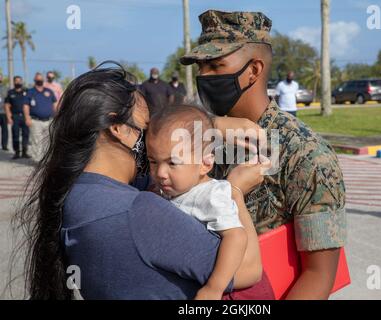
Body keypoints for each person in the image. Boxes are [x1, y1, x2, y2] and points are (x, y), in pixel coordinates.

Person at [12, 62, 272, 300]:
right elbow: (249, 270)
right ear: (119, 128)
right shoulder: (138, 211)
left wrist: (204, 127)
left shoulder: (78, 193)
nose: (152, 143)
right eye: (146, 129)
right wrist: (234, 190)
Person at [180, 10, 347, 300]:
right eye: (200, 67)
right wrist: (212, 126)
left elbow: (318, 275)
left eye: (216, 66)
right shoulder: (202, 136)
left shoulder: (305, 153)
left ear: (254, 70)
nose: (204, 76)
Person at [147, 104, 272, 300]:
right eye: (153, 162)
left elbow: (236, 237)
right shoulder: (173, 190)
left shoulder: (211, 194)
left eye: (172, 163)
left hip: (234, 293)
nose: (160, 173)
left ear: (205, 164)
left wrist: (214, 287)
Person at [26, 72, 58, 161]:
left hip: (48, 121)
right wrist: (27, 118)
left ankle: (46, 160)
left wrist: (57, 116)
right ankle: (38, 161)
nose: (39, 80)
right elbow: (26, 106)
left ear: (43, 80)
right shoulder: (30, 92)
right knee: (36, 141)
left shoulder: (49, 91)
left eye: (41, 79)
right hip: (36, 121)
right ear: (35, 80)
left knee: (48, 141)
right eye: (38, 79)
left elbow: (55, 104)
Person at [4, 76, 32, 159]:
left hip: (25, 116)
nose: (18, 82)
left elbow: (30, 103)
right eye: (16, 81)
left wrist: (29, 116)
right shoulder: (10, 92)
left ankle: (24, 152)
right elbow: (7, 105)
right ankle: (16, 152)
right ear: (13, 82)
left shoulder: (26, 91)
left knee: (25, 134)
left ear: (22, 82)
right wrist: (9, 117)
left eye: (20, 81)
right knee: (15, 134)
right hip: (15, 116)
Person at [0, 74, 9, 151]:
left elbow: (8, 101)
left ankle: (4, 145)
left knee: (5, 130)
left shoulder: (6, 88)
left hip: (3, 112)